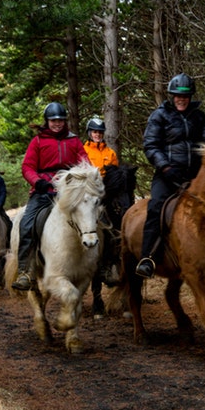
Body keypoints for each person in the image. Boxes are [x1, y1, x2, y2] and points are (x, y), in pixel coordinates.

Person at [135, 73, 205, 278]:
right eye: (178, 96)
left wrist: (203, 169)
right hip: (167, 174)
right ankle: (148, 258)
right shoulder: (159, 115)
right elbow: (150, 145)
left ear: (190, 97)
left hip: (195, 175)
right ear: (172, 96)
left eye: (185, 96)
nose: (181, 99)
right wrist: (166, 168)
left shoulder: (199, 116)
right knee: (156, 207)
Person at [11, 102, 89, 291]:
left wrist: (80, 178)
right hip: (44, 190)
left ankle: (102, 266)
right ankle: (25, 271)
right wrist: (37, 181)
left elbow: (85, 162)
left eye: (60, 120)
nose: (57, 124)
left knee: (96, 218)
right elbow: (27, 166)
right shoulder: (37, 141)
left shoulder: (74, 140)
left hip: (69, 190)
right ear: (47, 121)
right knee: (27, 223)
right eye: (53, 120)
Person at [83, 116, 120, 287]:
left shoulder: (110, 153)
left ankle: (111, 265)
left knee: (116, 227)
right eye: (94, 132)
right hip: (89, 196)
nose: (97, 134)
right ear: (89, 133)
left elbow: (115, 176)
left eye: (100, 132)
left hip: (106, 196)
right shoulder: (83, 151)